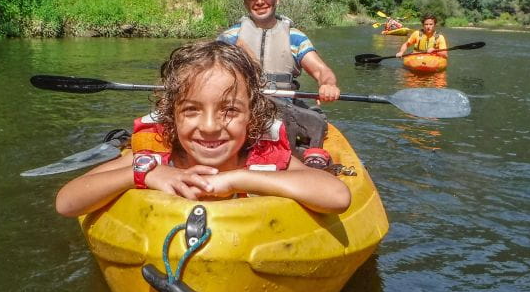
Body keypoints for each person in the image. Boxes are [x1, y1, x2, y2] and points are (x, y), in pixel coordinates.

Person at [55, 41, 351, 217]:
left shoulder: (262, 158)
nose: (210, 127)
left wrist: (238, 179)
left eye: (230, 110)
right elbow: (66, 202)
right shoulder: (156, 157)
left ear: (252, 114)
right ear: (171, 114)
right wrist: (145, 173)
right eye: (192, 109)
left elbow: (337, 197)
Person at [217, 0, 340, 156]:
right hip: (243, 106)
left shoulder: (295, 36)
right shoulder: (229, 37)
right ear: (245, 2)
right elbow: (206, 69)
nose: (260, 1)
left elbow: (321, 70)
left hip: (283, 108)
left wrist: (328, 84)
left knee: (317, 121)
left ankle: (305, 157)